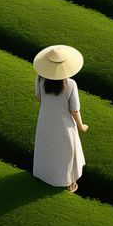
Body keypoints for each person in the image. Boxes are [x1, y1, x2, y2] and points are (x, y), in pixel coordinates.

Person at [32, 44, 88, 193]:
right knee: (68, 152)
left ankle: (45, 177)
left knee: (47, 149)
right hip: (64, 124)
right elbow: (74, 110)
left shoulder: (40, 79)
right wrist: (81, 126)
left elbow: (39, 97)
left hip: (45, 120)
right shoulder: (70, 84)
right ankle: (70, 183)